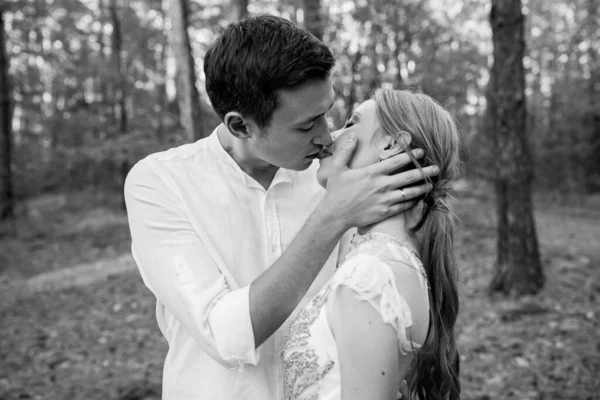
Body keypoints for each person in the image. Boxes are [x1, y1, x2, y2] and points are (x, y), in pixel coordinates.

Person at [124, 15, 438, 400]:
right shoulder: (160, 183)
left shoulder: (333, 174)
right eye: (307, 126)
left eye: (327, 113)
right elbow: (223, 334)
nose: (326, 137)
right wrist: (333, 217)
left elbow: (376, 289)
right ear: (241, 126)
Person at [281, 89, 461, 400]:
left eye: (350, 124)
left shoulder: (369, 276)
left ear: (392, 144)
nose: (330, 138)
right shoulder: (391, 261)